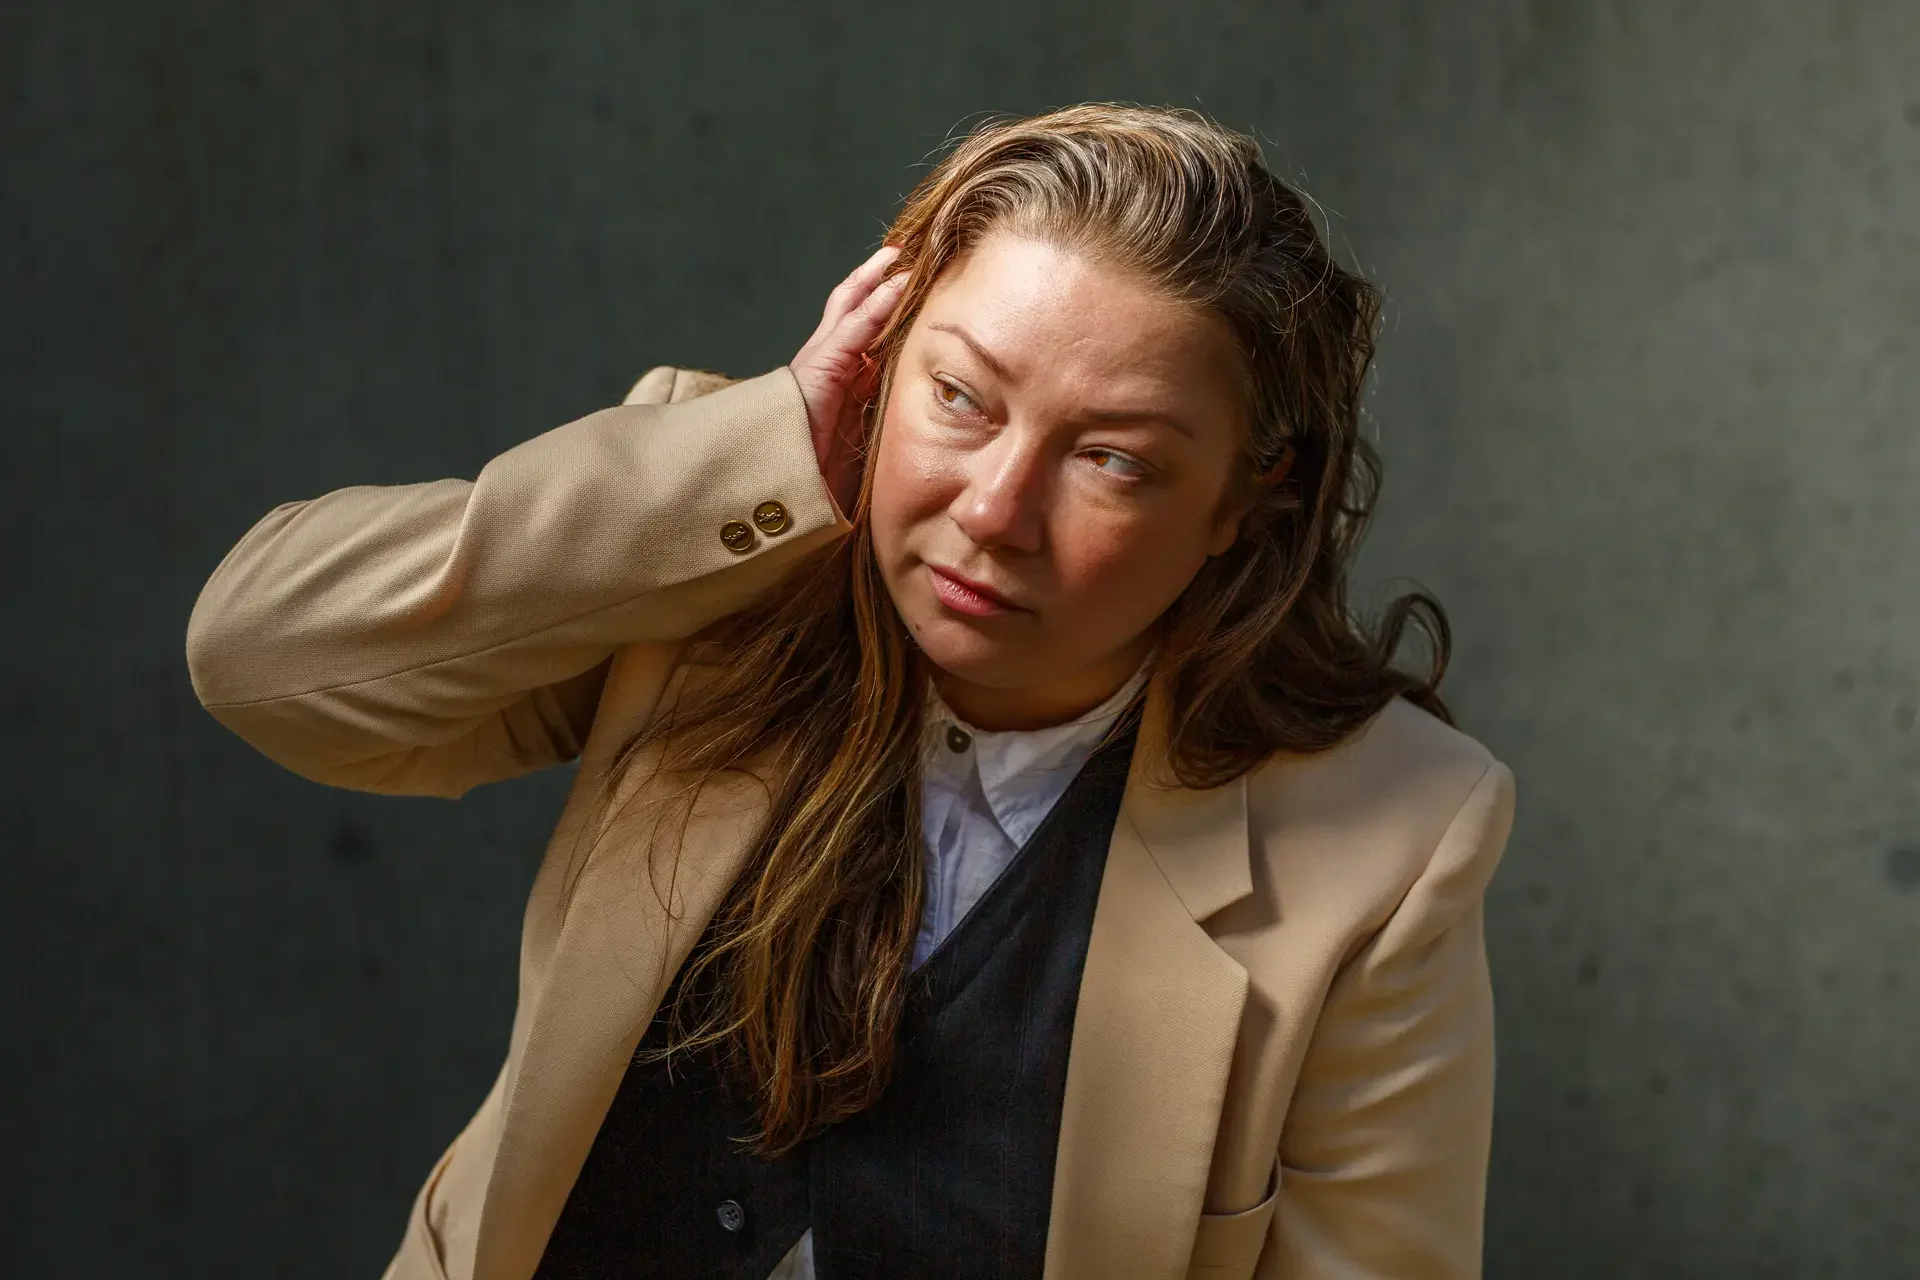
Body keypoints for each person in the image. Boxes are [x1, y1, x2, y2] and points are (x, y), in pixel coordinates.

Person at [185, 102, 1516, 1280]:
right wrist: (758, 447)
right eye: (961, 397)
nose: (996, 511)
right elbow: (261, 658)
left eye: (1112, 459)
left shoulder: (1392, 837)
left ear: (1244, 498)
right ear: (878, 361)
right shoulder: (701, 570)